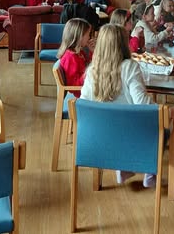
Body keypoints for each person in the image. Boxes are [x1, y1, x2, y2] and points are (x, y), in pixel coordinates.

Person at [80, 25, 161, 188]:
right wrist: (164, 110)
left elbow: (84, 102)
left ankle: (124, 166)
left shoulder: (92, 70)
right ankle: (149, 169)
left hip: (99, 135)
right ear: (123, 44)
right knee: (161, 127)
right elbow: (142, 104)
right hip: (129, 135)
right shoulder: (130, 67)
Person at [56, 18, 95, 98]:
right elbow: (73, 86)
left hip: (86, 87)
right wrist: (89, 73)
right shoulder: (70, 57)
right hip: (83, 93)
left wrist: (92, 52)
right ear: (79, 37)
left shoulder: (79, 52)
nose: (89, 37)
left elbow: (88, 64)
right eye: (88, 34)